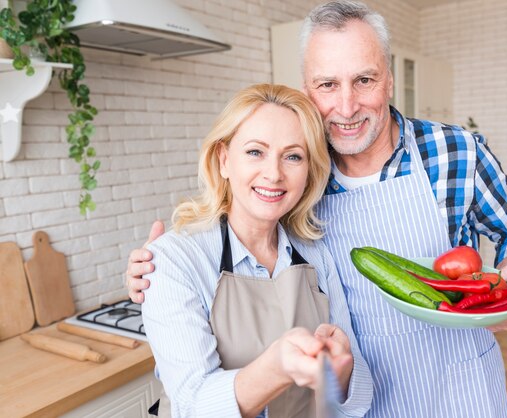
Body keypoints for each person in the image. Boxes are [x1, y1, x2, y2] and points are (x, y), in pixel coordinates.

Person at [127, 2, 507, 417]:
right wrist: (158, 268)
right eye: (327, 84)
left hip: (460, 390)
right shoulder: (304, 168)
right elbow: (237, 214)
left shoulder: (455, 152)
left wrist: (506, 289)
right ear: (308, 88)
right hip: (359, 402)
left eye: (364, 80)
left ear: (388, 79)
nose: (347, 107)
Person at [140, 83, 372, 418]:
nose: (274, 173)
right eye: (255, 152)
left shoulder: (316, 255)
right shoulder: (176, 259)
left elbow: (359, 399)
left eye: (293, 156)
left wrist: (343, 372)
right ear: (223, 160)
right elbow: (191, 405)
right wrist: (276, 368)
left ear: (308, 172)